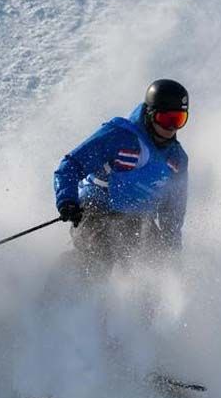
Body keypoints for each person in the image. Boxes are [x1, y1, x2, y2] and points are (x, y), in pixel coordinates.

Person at [53, 79, 190, 280]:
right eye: (165, 119)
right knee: (100, 254)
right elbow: (70, 166)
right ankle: (65, 291)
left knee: (154, 266)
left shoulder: (176, 160)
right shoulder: (120, 136)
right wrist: (67, 201)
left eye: (178, 120)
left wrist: (170, 250)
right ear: (151, 114)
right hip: (96, 207)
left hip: (137, 218)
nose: (171, 128)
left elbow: (173, 211)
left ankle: (141, 309)